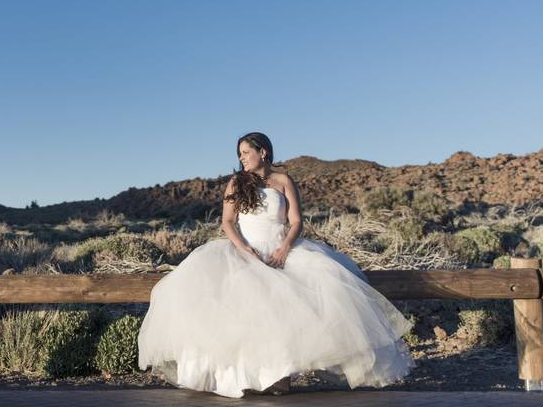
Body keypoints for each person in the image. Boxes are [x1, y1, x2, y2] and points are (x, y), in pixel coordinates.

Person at [137, 132, 415, 397]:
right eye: (240, 154)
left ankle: (278, 377)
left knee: (293, 307)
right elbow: (227, 221)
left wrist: (284, 248)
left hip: (281, 250)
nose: (242, 158)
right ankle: (243, 379)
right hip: (244, 252)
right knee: (242, 312)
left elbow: (296, 221)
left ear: (263, 152)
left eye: (246, 152)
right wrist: (243, 248)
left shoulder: (283, 180)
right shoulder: (236, 182)